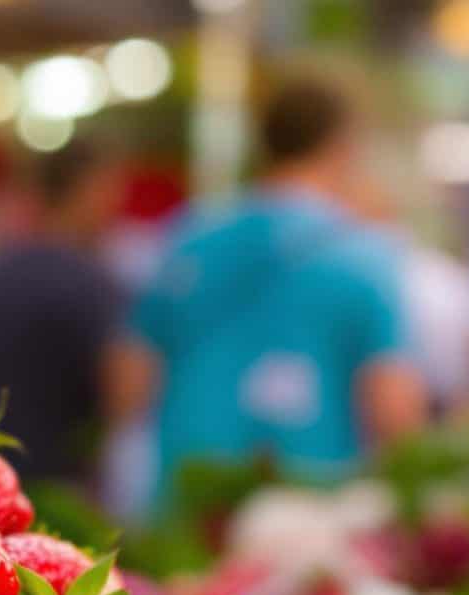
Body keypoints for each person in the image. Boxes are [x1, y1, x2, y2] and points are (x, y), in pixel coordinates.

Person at [119, 72, 423, 509]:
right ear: (343, 146)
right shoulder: (364, 256)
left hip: (187, 506)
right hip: (310, 520)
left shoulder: (189, 237)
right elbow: (393, 408)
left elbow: (128, 384)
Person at [0, 146, 129, 486]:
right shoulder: (91, 282)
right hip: (58, 481)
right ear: (83, 192)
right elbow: (123, 390)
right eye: (108, 190)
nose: (115, 206)